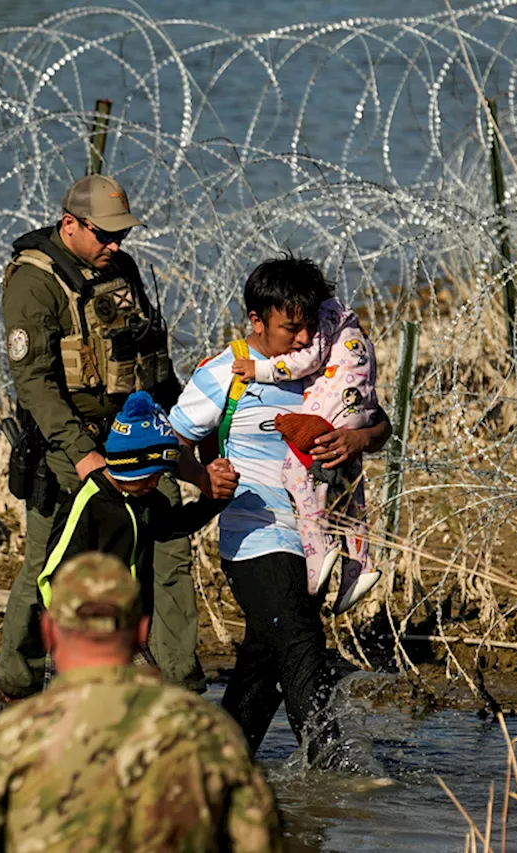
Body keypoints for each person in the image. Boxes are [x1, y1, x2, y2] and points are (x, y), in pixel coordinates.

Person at [0, 173, 238, 703]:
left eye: (121, 236)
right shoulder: (33, 282)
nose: (115, 245)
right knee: (49, 564)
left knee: (170, 547)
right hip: (68, 447)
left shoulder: (120, 269)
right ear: (70, 224)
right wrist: (83, 456)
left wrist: (188, 426)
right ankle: (19, 682)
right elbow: (34, 384)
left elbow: (149, 359)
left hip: (139, 434)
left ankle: (181, 685)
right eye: (104, 235)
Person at [168, 254, 392, 761]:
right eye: (290, 328)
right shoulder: (225, 372)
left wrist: (357, 442)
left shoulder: (325, 363)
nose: (301, 338)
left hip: (317, 538)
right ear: (257, 321)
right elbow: (168, 443)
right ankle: (336, 769)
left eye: (310, 325)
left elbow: (379, 424)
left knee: (264, 661)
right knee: (299, 642)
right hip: (255, 533)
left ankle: (218, 764)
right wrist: (202, 477)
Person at [0, 552, 284, 853]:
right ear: (143, 632)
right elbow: (260, 840)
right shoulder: (211, 733)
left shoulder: (6, 739)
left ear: (48, 631)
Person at [36, 391, 234, 682]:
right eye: (151, 476)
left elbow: (171, 527)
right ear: (129, 466)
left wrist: (214, 501)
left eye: (160, 476)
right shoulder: (88, 504)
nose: (156, 483)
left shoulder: (143, 497)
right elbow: (51, 575)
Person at [231, 291, 383, 611]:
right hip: (359, 408)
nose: (302, 335)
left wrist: (258, 370)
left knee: (297, 472)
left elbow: (306, 361)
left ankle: (320, 547)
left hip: (335, 407)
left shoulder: (320, 317)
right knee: (347, 489)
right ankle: (360, 563)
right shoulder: (347, 322)